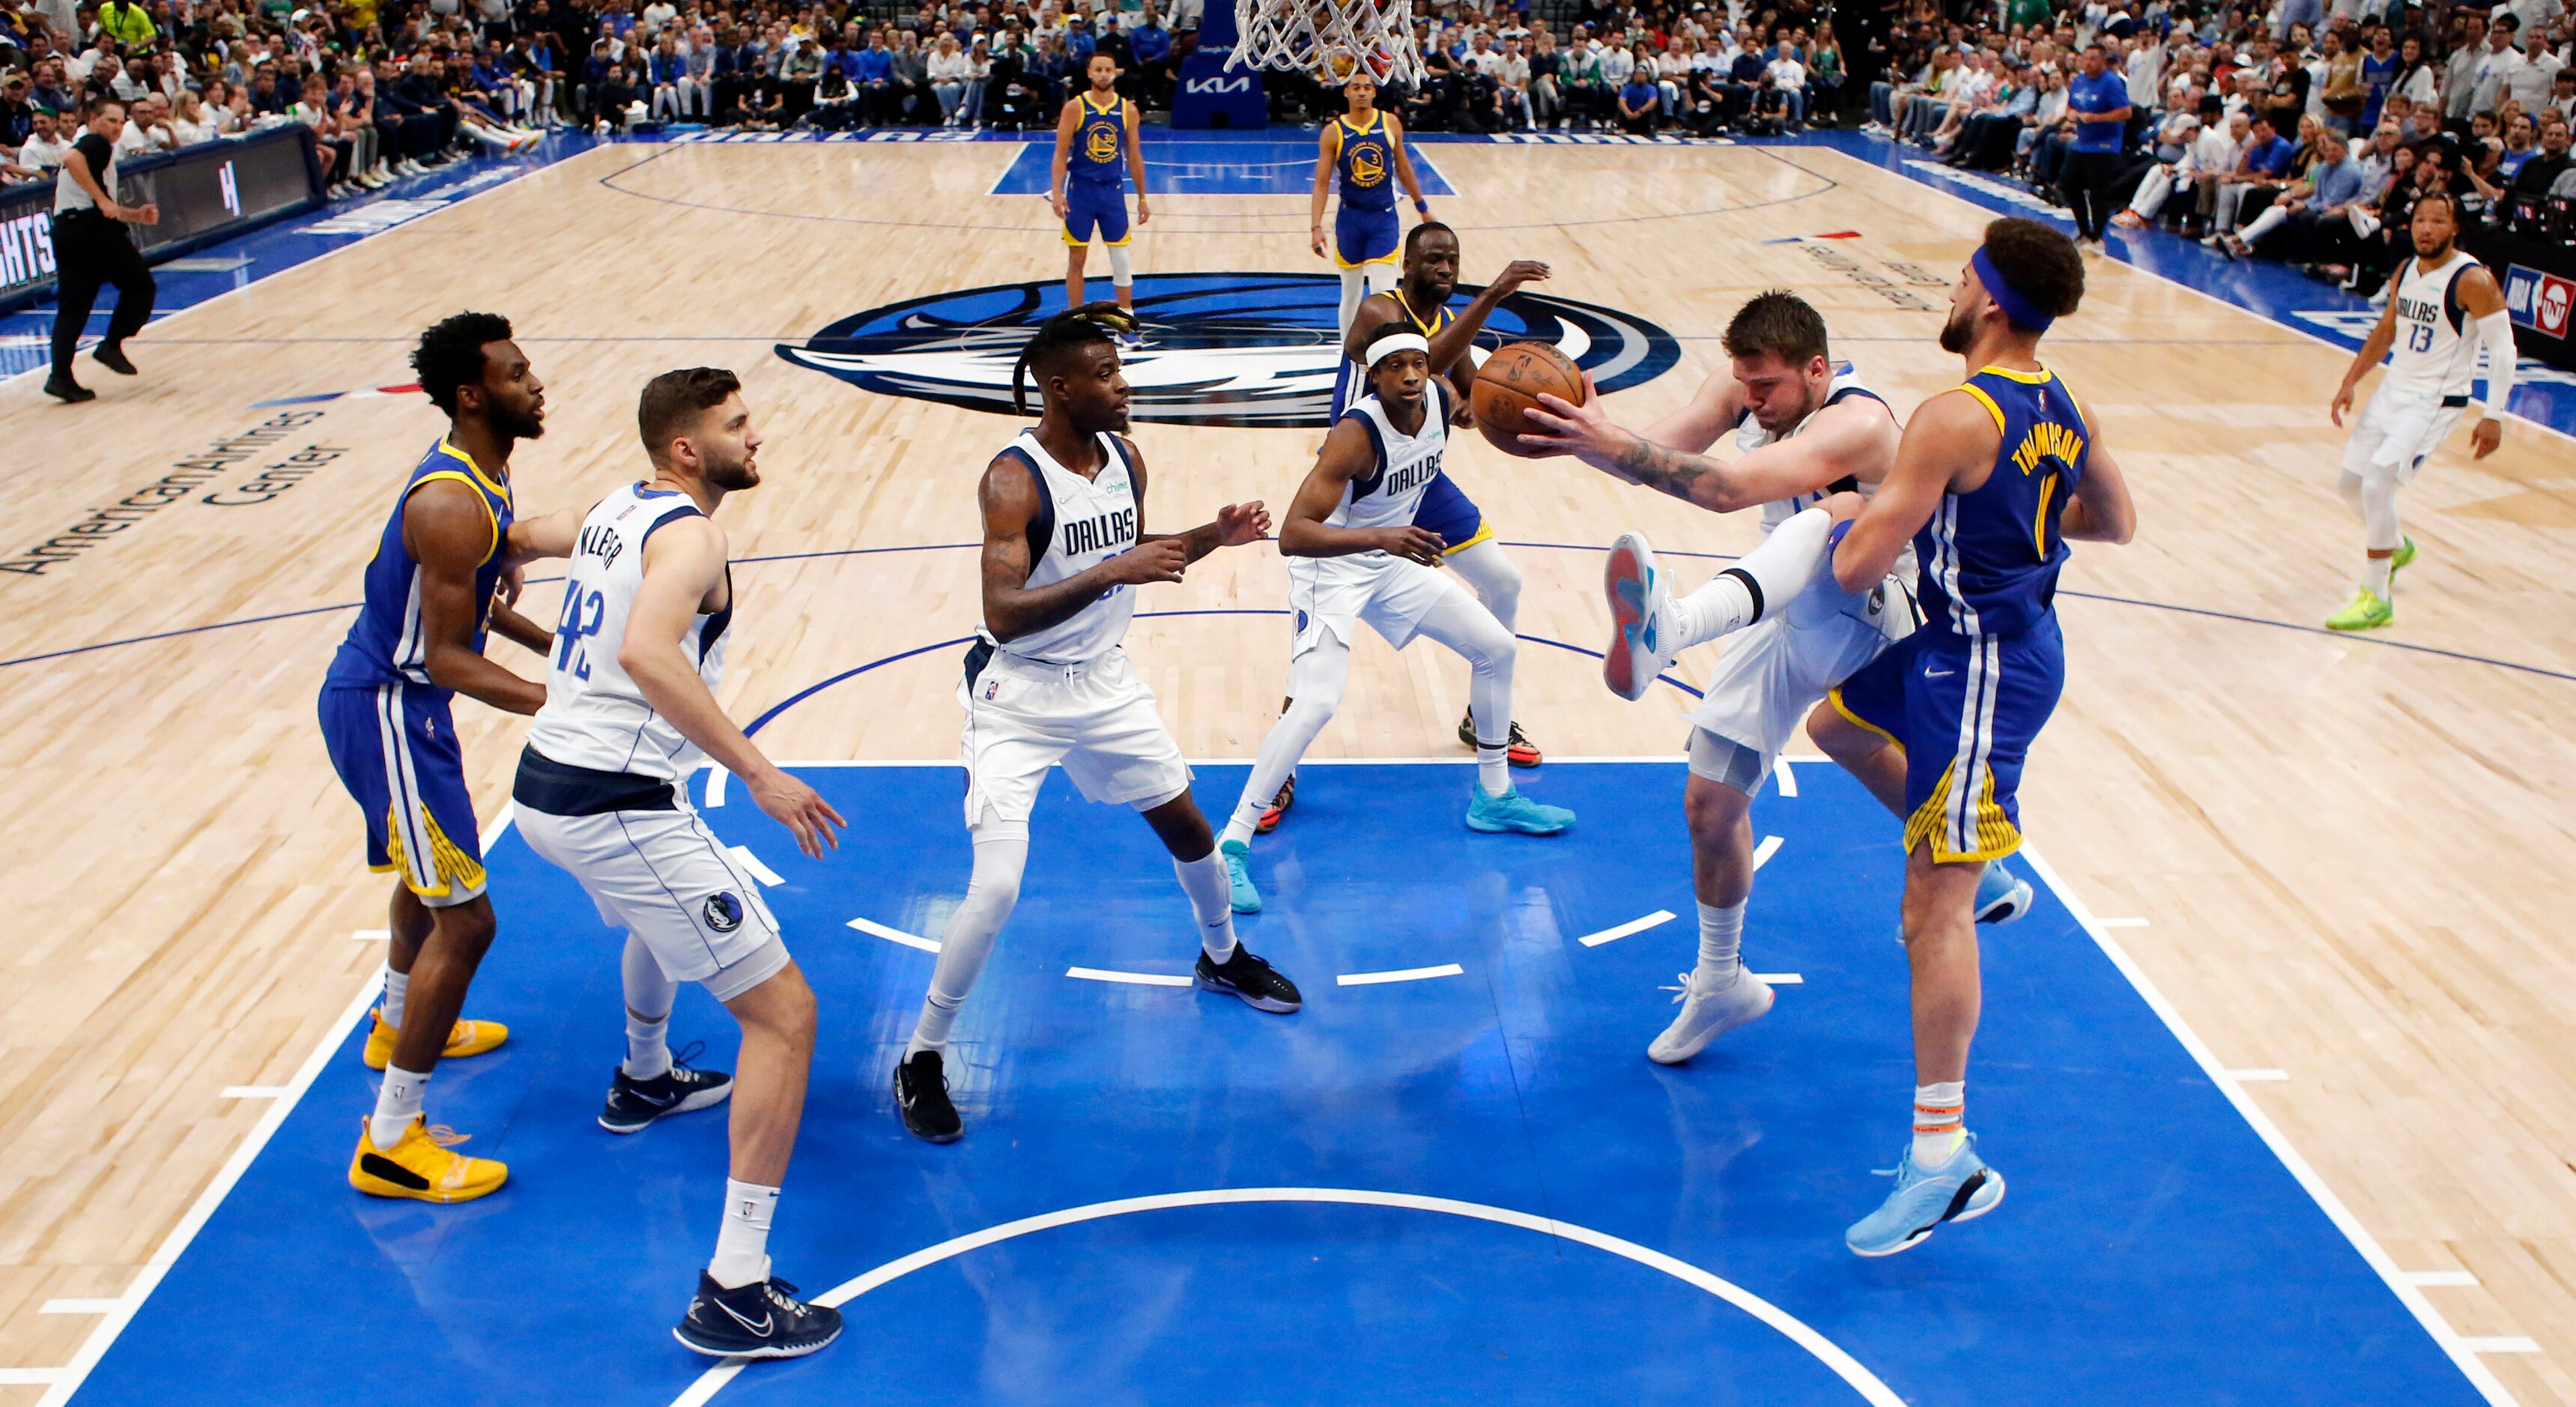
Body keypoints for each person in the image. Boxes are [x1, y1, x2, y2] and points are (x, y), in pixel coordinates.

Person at [1515, 289, 2039, 1064]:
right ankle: (1721, 982)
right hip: (1779, 605)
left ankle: (1678, 628)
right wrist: (1571, 432)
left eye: (1767, 388)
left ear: (1817, 370)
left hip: (1875, 607)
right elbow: (1647, 457)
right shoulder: (1748, 388)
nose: (1751, 401)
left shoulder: (1858, 422)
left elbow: (1723, 490)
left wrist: (1609, 444)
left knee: (1832, 517)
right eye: (1745, 384)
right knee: (1710, 804)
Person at [891, 306, 1298, 1144]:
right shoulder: (1013, 478)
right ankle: (922, 1055)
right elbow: (1002, 613)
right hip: (1017, 695)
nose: (1123, 386)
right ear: (1059, 386)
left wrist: (1209, 538)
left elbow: (1127, 546)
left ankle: (1220, 957)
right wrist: (1119, 568)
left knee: (1191, 831)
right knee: (997, 886)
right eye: (1107, 375)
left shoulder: (1124, 455)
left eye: (1121, 371)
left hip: (1104, 684)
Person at [1806, 218, 2135, 1256]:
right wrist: (1997, 519)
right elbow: (2110, 520)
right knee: (1836, 724)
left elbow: (1859, 568)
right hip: (1983, 640)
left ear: (1987, 299)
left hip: (1981, 669)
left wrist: (1838, 510)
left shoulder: (1951, 413)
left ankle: (1945, 1158)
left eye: (1958, 279)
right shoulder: (2062, 398)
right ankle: (1985, 859)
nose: (1948, 292)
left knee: (1925, 909)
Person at [511, 368, 843, 1361]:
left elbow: (535, 530)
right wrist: (760, 774)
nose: (757, 435)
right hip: (615, 802)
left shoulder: (623, 504)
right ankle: (733, 1291)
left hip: (542, 789)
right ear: (688, 449)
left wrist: (489, 550)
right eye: (737, 425)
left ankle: (645, 1076)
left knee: (661, 925)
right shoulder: (694, 534)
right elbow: (648, 653)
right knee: (785, 1016)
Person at [318, 312, 575, 1205]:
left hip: (403, 705)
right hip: (390, 704)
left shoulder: (489, 474)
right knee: (467, 922)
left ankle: (395, 1026)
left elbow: (477, 614)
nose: (535, 383)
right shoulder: (450, 501)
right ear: (472, 395)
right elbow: (444, 656)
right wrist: (564, 703)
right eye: (516, 373)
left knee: (432, 877)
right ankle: (390, 1141)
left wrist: (560, 649)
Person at [1216, 321, 1577, 913]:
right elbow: (1292, 535)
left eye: (1419, 363)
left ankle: (1492, 797)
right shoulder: (1354, 437)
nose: (1410, 375)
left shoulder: (1437, 397)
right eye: (1395, 367)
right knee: (1315, 702)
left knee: (1496, 647)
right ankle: (1231, 842)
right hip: (1330, 569)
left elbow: (1471, 408)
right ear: (1374, 376)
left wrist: (1538, 414)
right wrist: (1384, 536)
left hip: (1387, 560)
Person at [2322, 190, 2512, 632]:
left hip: (2436, 400)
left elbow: (2504, 352)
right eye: (2420, 220)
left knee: (2377, 485)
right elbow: (2387, 329)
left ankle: (2376, 598)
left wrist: (2494, 414)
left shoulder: (2472, 280)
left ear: (2455, 227)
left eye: (2437, 221)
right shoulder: (2407, 269)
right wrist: (2350, 382)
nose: (2426, 228)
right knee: (2349, 486)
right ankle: (2397, 546)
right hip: (2395, 390)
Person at [41, 95, 155, 405]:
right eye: (111, 120)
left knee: (74, 307)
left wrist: (133, 215)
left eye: (121, 122)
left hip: (68, 229)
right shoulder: (95, 143)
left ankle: (60, 377)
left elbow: (97, 201)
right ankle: (112, 344)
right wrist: (103, 201)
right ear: (92, 119)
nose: (117, 128)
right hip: (91, 230)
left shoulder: (98, 148)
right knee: (140, 286)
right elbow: (72, 160)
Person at [1307, 73, 1432, 334]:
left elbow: (1404, 168)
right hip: (1350, 219)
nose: (1362, 92)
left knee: (1384, 295)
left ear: (1374, 92)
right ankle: (1346, 354)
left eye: (1367, 87)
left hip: (1383, 218)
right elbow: (1321, 183)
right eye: (1356, 87)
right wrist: (1316, 227)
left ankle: (1385, 356)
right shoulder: (1334, 132)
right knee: (1350, 294)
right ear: (1346, 93)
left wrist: (1422, 208)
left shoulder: (1390, 123)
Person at [1049, 52, 1147, 329]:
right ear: (1089, 73)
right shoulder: (1074, 108)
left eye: (1108, 69)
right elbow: (1059, 154)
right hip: (1081, 191)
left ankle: (1126, 322)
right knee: (1077, 258)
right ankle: (1076, 321)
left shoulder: (1127, 110)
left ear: (1116, 72)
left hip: (1113, 191)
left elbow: (1135, 156)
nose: (1103, 74)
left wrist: (1142, 198)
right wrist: (1057, 192)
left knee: (1121, 258)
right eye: (1098, 69)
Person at [2061, 41, 2133, 252]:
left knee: (2098, 192)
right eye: (2087, 58)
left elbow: (2126, 112)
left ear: (2102, 61)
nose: (2089, 62)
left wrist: (2097, 118)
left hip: (2104, 145)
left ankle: (2098, 236)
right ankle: (2084, 231)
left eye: (2094, 58)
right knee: (2070, 185)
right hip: (2082, 142)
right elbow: (2071, 107)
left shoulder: (2112, 83)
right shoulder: (2079, 80)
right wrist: (2071, 114)